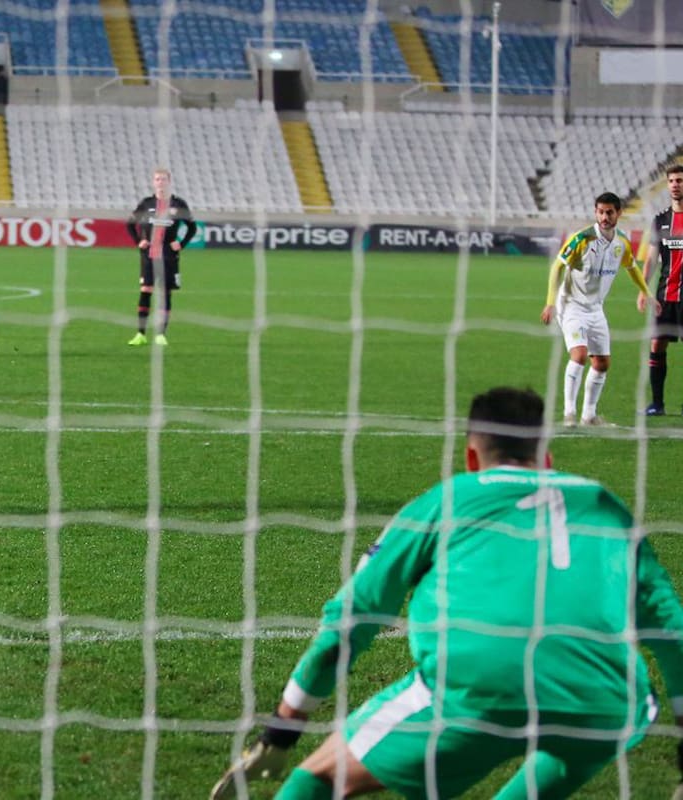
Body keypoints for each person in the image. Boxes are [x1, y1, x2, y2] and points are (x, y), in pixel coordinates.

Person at [210, 385, 683, 800]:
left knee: (315, 779)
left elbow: (351, 619)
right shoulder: (606, 507)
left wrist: (282, 732)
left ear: (472, 459)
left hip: (477, 683)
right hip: (607, 700)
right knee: (595, 723)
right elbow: (671, 631)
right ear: (547, 460)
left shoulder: (448, 499)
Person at [540, 192, 658, 427]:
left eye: (609, 212)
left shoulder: (621, 242)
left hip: (595, 309)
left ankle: (589, 416)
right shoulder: (582, 238)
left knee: (602, 363)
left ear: (618, 213)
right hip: (571, 304)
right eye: (601, 212)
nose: (604, 217)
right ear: (596, 212)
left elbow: (632, 267)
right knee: (580, 355)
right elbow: (557, 267)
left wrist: (647, 292)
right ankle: (570, 414)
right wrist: (551, 302)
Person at [125, 167, 196, 346]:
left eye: (163, 179)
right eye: (157, 179)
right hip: (149, 255)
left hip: (169, 256)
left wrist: (181, 243)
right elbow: (130, 224)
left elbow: (192, 227)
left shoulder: (179, 204)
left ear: (169, 182)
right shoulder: (146, 203)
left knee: (165, 293)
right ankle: (140, 334)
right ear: (153, 182)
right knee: (146, 290)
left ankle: (160, 334)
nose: (160, 182)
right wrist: (138, 241)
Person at [638, 163, 683, 416]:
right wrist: (643, 288)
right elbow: (652, 258)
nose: (676, 185)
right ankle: (657, 404)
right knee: (657, 345)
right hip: (665, 295)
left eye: (680, 180)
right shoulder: (661, 219)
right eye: (672, 181)